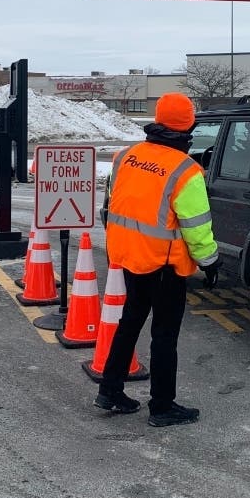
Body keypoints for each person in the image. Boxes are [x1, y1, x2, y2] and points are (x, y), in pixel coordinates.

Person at [95, 92, 219, 427]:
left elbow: (114, 204)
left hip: (130, 256)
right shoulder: (186, 171)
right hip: (165, 265)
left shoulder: (126, 157)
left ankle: (110, 390)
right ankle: (162, 406)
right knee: (164, 335)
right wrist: (210, 262)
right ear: (189, 126)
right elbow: (197, 227)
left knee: (130, 322)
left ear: (158, 119)